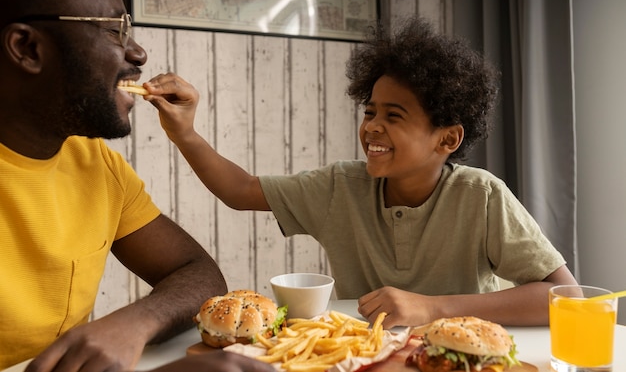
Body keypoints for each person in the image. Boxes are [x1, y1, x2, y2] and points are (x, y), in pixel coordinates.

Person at [143, 17, 578, 330]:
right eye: (370, 111)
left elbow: (566, 298)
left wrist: (432, 308)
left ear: (446, 140)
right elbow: (240, 190)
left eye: (394, 115)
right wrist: (186, 133)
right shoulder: (340, 187)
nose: (372, 126)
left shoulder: (481, 196)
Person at [0, 0, 274, 372]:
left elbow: (196, 272)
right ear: (28, 48)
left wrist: (134, 322)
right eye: (113, 30)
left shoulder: (95, 164)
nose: (138, 53)